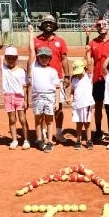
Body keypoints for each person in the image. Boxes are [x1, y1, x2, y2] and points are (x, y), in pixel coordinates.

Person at [32, 14, 69, 143]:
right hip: (41, 80)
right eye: (46, 22)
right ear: (42, 25)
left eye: (51, 23)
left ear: (54, 25)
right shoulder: (36, 40)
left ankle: (58, 133)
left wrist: (67, 76)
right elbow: (31, 57)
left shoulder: (61, 41)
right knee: (42, 109)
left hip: (57, 79)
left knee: (58, 107)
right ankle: (43, 134)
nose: (48, 24)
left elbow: (64, 59)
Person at [0, 38, 30, 150]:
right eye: (8, 58)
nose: (11, 60)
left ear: (17, 58)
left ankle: (26, 140)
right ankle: (14, 140)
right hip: (8, 96)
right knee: (12, 120)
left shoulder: (22, 71)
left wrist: (26, 100)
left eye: (13, 58)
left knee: (22, 119)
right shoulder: (3, 68)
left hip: (20, 97)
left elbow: (25, 87)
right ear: (6, 59)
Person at [28, 27, 61, 153]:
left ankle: (49, 141)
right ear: (38, 57)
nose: (44, 59)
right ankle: (39, 140)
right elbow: (32, 50)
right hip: (37, 97)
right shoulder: (34, 68)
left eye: (46, 57)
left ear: (50, 58)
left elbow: (57, 88)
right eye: (41, 57)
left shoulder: (52, 72)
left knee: (49, 120)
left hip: (49, 97)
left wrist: (57, 102)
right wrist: (31, 33)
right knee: (38, 119)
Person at [68, 59, 94, 150]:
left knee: (87, 124)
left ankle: (89, 140)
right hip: (77, 105)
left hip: (87, 104)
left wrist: (87, 53)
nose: (78, 74)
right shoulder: (74, 79)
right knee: (78, 124)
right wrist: (71, 98)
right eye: (77, 72)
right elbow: (72, 91)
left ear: (84, 68)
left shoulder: (88, 76)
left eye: (80, 71)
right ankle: (78, 140)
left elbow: (90, 64)